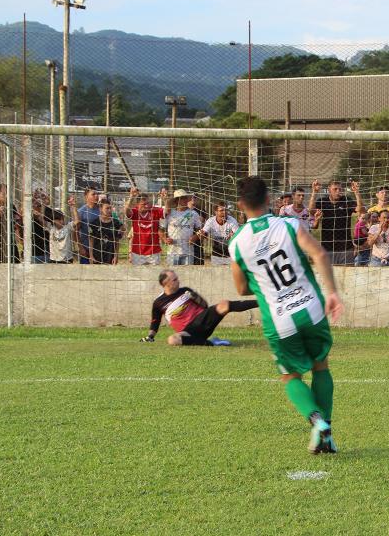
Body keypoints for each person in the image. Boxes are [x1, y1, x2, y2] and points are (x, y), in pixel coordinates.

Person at [229, 175, 344, 454]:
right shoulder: (290, 225)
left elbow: (242, 288)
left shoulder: (237, 243)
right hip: (312, 308)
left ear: (240, 204)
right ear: (269, 199)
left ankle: (317, 423)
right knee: (321, 365)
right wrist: (332, 292)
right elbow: (320, 255)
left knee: (290, 376)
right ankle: (326, 432)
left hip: (279, 320)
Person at [141, 269, 258, 346]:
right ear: (166, 283)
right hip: (188, 332)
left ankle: (261, 302)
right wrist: (150, 337)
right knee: (172, 340)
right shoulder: (158, 302)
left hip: (202, 320)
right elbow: (155, 322)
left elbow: (204, 306)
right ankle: (212, 343)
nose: (178, 281)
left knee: (224, 305)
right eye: (175, 280)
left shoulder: (185, 291)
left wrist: (195, 297)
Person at [308, 179, 363, 265]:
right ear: (329, 189)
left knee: (347, 276)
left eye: (340, 189)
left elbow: (360, 209)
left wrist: (356, 192)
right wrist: (314, 192)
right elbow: (311, 211)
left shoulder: (346, 201)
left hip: (345, 248)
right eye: (335, 189)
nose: (338, 191)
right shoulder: (323, 201)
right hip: (327, 248)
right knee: (329, 276)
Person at [124, 187, 166, 266]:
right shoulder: (134, 212)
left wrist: (165, 199)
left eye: (148, 203)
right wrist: (131, 197)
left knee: (154, 276)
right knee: (138, 276)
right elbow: (126, 211)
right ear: (138, 205)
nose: (147, 206)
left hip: (154, 251)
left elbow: (167, 211)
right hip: (137, 251)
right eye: (144, 204)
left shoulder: (155, 210)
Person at [161, 190, 204, 265]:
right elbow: (160, 229)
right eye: (182, 198)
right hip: (172, 252)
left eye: (186, 198)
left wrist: (195, 236)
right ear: (177, 200)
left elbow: (200, 229)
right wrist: (165, 239)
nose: (185, 200)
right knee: (172, 275)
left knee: (187, 275)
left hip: (188, 252)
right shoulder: (169, 213)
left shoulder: (193, 214)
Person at [198, 201, 240, 266]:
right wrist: (202, 234)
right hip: (216, 252)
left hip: (230, 253)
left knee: (229, 274)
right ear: (216, 212)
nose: (224, 212)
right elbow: (204, 233)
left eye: (226, 210)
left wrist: (233, 235)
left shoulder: (232, 221)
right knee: (216, 273)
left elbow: (238, 236)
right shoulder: (211, 221)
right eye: (221, 210)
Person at [0, 183, 22, 264]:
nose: (6, 196)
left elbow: (17, 223)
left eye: (7, 193)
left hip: (11, 244)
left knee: (15, 267)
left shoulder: (11, 207)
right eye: (4, 194)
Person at [89, 199, 124, 265]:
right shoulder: (94, 223)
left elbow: (117, 241)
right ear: (100, 209)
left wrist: (116, 256)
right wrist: (91, 256)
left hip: (110, 258)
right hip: (97, 257)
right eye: (107, 208)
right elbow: (91, 241)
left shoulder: (116, 223)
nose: (109, 210)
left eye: (110, 208)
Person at [49, 197, 80, 263]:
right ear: (53, 220)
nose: (62, 221)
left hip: (67, 259)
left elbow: (77, 221)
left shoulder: (67, 227)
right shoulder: (51, 228)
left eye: (62, 219)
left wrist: (73, 207)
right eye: (59, 219)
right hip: (54, 259)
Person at [75, 188, 101, 264]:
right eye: (93, 194)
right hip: (86, 249)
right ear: (86, 197)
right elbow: (75, 232)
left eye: (97, 194)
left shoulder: (102, 210)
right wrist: (80, 248)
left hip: (101, 249)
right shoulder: (81, 212)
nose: (96, 196)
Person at [30, 189, 55, 264]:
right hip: (35, 251)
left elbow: (44, 223)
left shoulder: (49, 211)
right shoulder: (30, 213)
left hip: (48, 249)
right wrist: (32, 199)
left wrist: (44, 204)